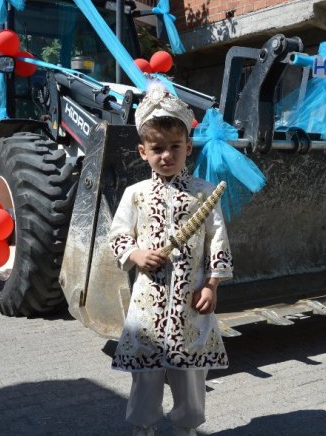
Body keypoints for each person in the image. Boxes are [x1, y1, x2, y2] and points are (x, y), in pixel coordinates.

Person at [108, 83, 234, 436]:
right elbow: (117, 235)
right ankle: (144, 427)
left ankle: (186, 428)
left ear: (188, 147)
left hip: (191, 304)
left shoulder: (205, 193)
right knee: (145, 377)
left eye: (174, 147)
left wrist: (212, 284)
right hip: (147, 307)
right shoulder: (135, 194)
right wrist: (135, 253)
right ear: (143, 151)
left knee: (191, 378)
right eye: (157, 149)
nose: (166, 155)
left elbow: (217, 240)